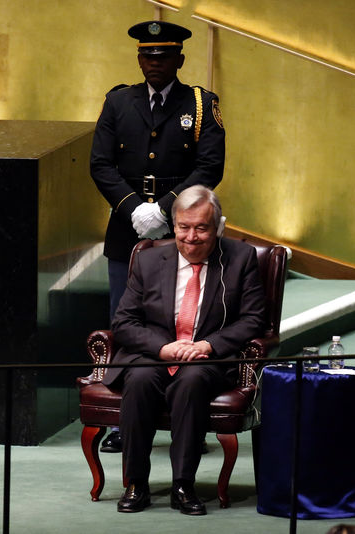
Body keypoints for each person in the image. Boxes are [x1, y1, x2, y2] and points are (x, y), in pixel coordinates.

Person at [90, 19, 226, 454]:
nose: (155, 63)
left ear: (179, 60)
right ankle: (120, 420)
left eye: (163, 55)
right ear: (138, 58)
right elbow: (101, 164)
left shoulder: (201, 104)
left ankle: (187, 416)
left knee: (184, 318)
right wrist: (134, 209)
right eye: (148, 56)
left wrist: (165, 207)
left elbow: (210, 166)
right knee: (126, 322)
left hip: (184, 229)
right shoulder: (117, 102)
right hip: (127, 228)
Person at [103, 185, 265, 515]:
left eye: (201, 228)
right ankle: (136, 483)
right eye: (183, 227)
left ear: (218, 227)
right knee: (139, 379)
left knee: (191, 382)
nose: (191, 237)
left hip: (207, 358)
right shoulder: (148, 259)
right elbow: (124, 322)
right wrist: (163, 349)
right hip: (155, 354)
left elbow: (254, 319)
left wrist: (210, 344)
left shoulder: (240, 259)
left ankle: (183, 484)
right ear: (173, 225)